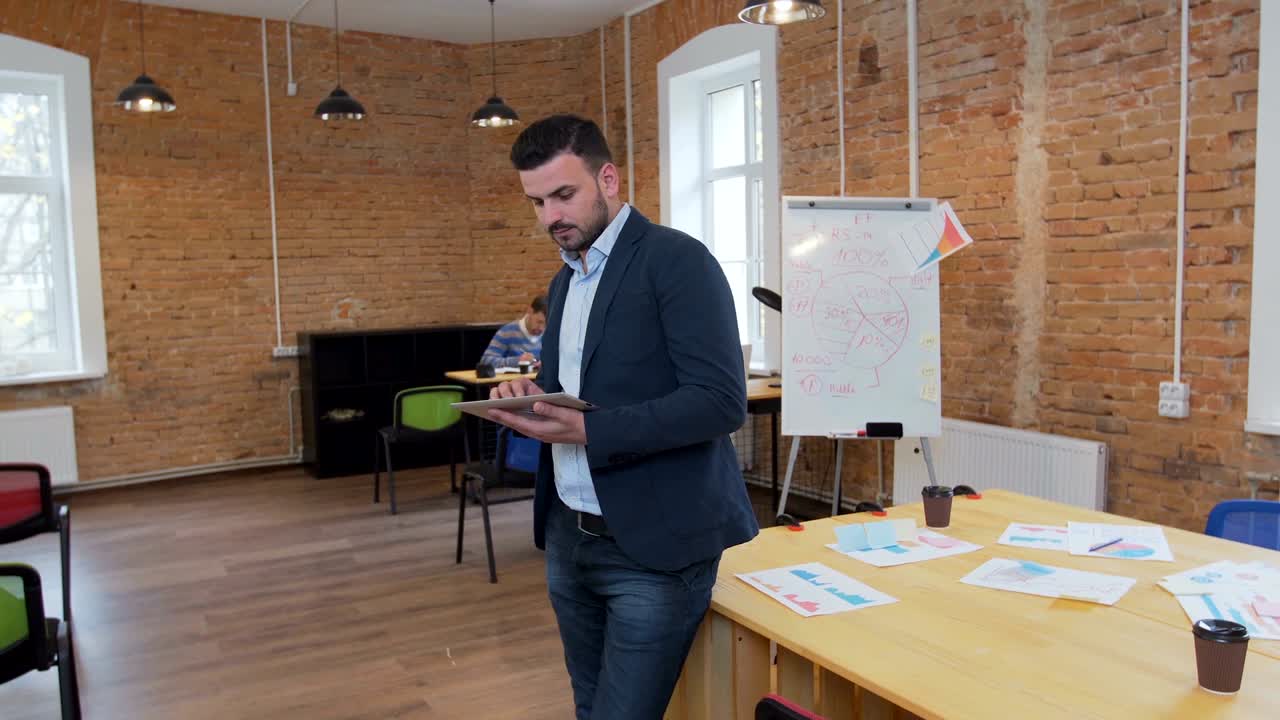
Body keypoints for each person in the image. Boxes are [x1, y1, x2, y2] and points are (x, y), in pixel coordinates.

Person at [486, 114, 758, 720]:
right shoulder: (565, 282)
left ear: (607, 178)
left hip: (653, 549)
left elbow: (720, 402)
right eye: (537, 202)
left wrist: (588, 429)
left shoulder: (677, 261)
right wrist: (533, 394)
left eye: (564, 195)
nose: (551, 216)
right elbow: (579, 391)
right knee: (590, 707)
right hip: (568, 535)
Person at [479, 295, 546, 369]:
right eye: (539, 322)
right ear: (530, 311)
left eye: (546, 325)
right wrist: (517, 361)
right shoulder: (507, 332)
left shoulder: (549, 335)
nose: (542, 328)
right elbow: (485, 361)